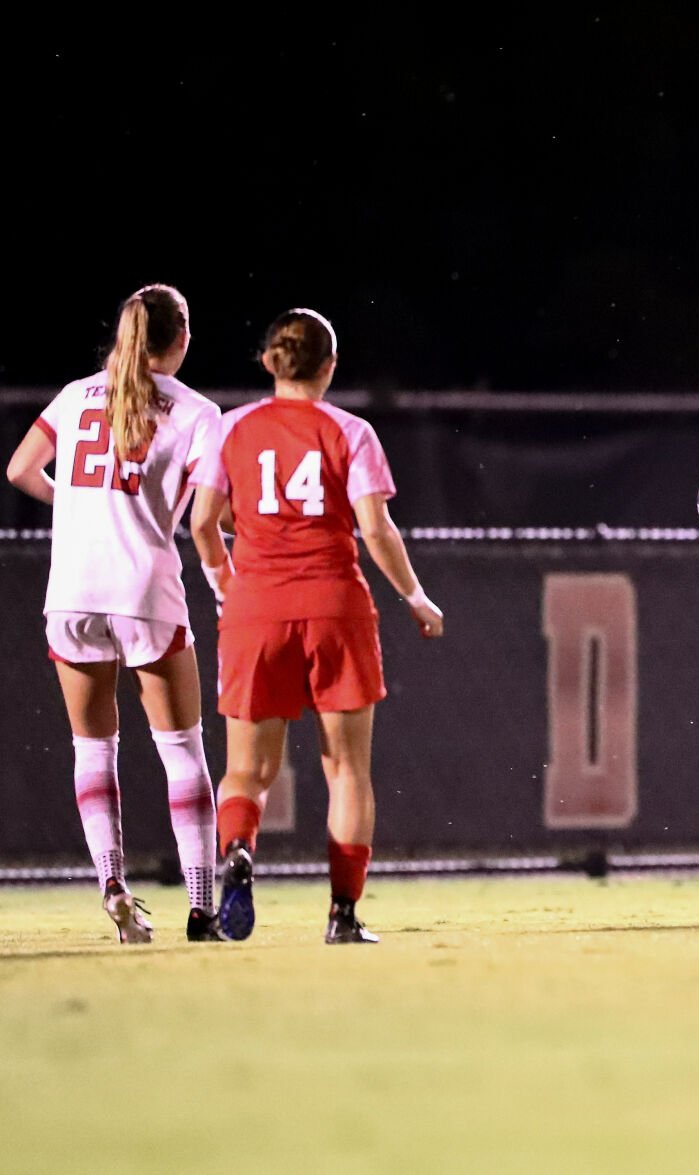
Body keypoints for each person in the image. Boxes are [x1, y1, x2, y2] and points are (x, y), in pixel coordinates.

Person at [188, 308, 443, 944]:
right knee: (347, 770)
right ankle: (342, 916)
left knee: (247, 770)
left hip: (256, 608)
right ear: (329, 366)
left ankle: (240, 853)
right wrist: (414, 595)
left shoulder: (231, 428)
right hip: (335, 604)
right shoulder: (349, 431)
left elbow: (201, 522)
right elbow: (375, 528)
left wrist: (227, 579)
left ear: (270, 362)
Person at [4, 284, 224, 943]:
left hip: (71, 589)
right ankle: (201, 907)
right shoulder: (199, 412)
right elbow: (208, 516)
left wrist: (77, 508)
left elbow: (19, 468)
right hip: (143, 590)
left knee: (93, 747)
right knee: (182, 750)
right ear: (180, 338)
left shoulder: (76, 396)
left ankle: (113, 890)